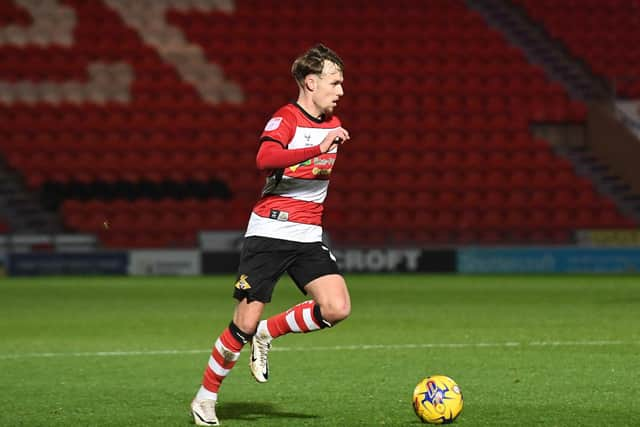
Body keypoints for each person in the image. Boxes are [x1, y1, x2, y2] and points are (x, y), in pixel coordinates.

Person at [191, 43, 351, 426]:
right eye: (335, 82)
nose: (341, 91)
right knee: (241, 323)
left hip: (308, 234)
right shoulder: (286, 119)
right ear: (311, 83)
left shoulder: (331, 123)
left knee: (336, 307)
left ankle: (269, 332)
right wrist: (316, 149)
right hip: (270, 231)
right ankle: (205, 398)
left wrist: (323, 142)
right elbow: (265, 159)